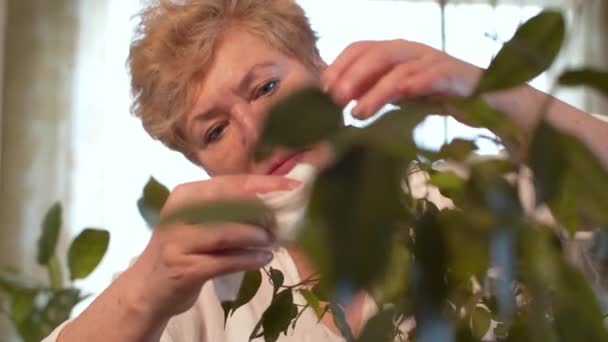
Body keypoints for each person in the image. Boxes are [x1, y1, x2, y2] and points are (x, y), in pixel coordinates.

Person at [44, 0, 608, 341]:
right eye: (213, 130)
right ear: (197, 164)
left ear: (319, 67)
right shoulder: (203, 290)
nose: (258, 131)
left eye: (267, 87)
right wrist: (144, 291)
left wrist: (490, 95)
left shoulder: (483, 196)